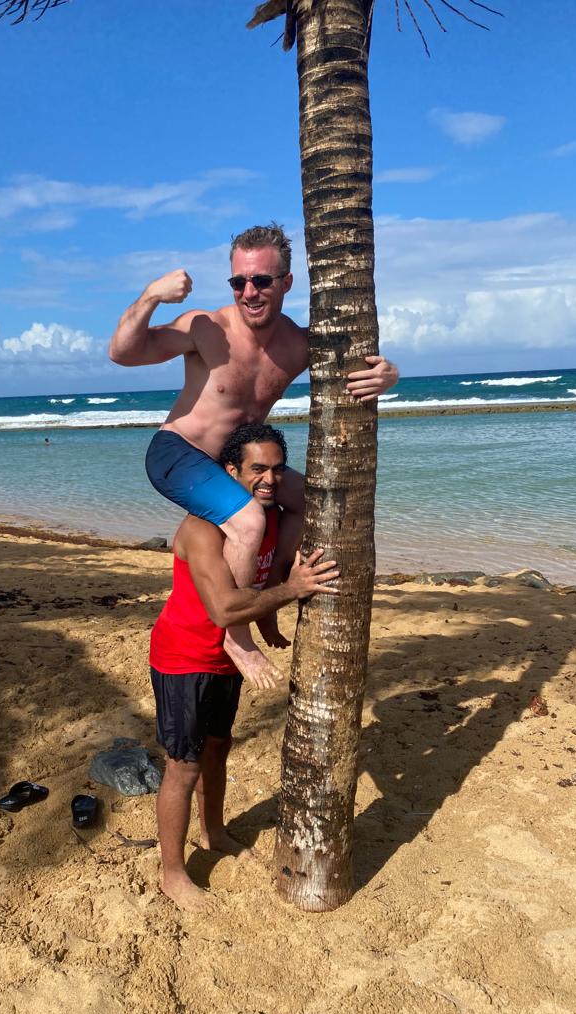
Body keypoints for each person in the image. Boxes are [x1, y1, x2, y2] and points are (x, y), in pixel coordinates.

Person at [110, 222, 398, 689]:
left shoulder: (299, 345)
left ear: (285, 282)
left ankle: (264, 598)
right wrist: (151, 295)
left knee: (312, 501)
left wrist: (388, 375)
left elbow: (360, 365)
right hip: (177, 454)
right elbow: (122, 353)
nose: (249, 291)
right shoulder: (207, 328)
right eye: (239, 281)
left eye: (261, 280)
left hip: (233, 465)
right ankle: (236, 637)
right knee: (249, 522)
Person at [150, 423, 339, 910]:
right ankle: (173, 873)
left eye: (278, 470)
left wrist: (273, 606)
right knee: (183, 765)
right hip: (185, 656)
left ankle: (214, 831)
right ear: (229, 471)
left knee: (218, 748)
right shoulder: (201, 528)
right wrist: (292, 590)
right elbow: (224, 610)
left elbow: (264, 578)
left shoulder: (273, 518)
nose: (270, 480)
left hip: (226, 659)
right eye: (258, 469)